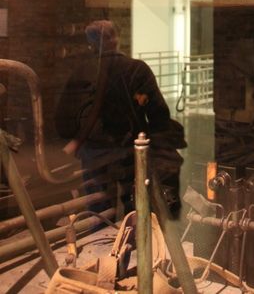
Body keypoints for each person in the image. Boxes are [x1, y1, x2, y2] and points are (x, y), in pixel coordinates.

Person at [60, 20, 185, 216]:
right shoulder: (137, 70)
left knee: (98, 210)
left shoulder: (83, 71)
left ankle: (101, 231)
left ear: (91, 43)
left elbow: (64, 116)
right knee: (135, 207)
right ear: (116, 39)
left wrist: (80, 142)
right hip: (130, 152)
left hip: (94, 153)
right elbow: (159, 115)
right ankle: (132, 233)